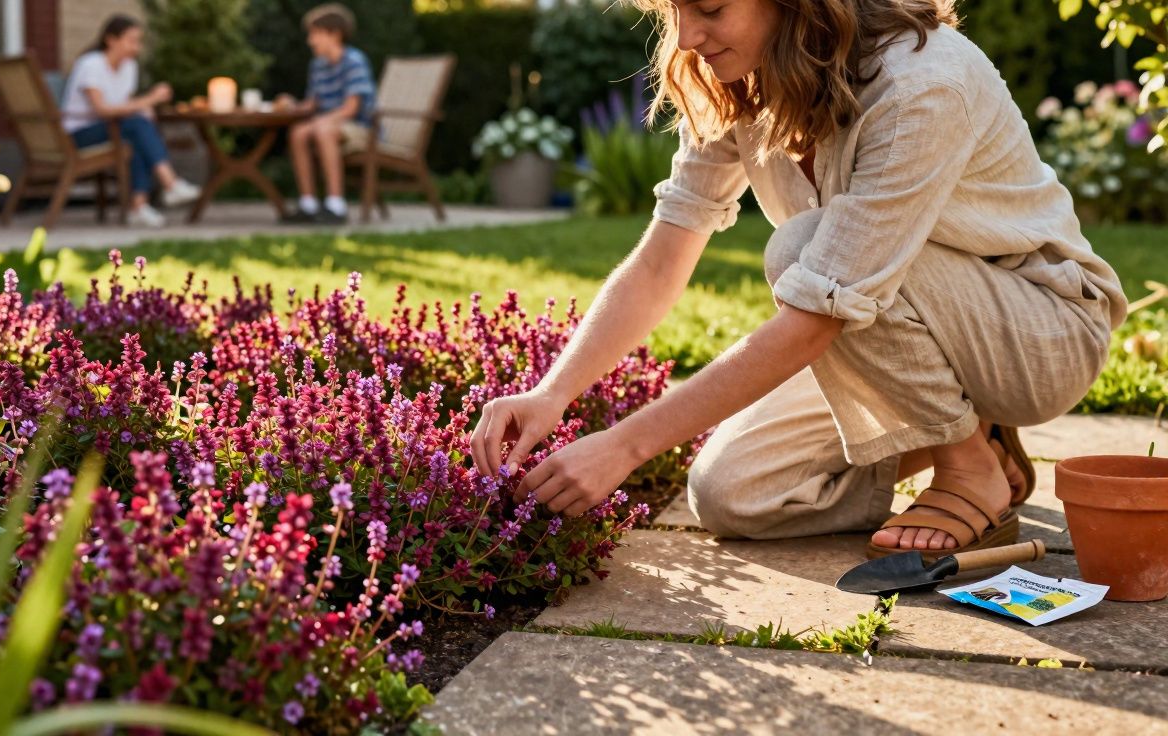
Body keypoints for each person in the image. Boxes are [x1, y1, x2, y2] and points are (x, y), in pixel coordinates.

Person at [470, 0, 1127, 559]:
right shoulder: (742, 79)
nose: (689, 37)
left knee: (803, 253)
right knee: (732, 492)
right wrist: (553, 393)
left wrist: (625, 446)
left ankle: (970, 468)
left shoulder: (919, 83)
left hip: (1041, 333)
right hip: (888, 321)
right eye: (676, 11)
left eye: (711, 8)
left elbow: (819, 318)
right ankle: (968, 426)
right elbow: (660, 261)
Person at [61, 14, 199, 228]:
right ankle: (170, 184)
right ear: (111, 40)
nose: (137, 47)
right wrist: (148, 100)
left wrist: (142, 107)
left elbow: (123, 104)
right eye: (132, 40)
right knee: (136, 126)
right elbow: (102, 109)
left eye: (139, 41)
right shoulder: (91, 65)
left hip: (114, 130)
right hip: (79, 134)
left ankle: (139, 206)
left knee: (137, 133)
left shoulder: (129, 67)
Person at [277, 3, 377, 225]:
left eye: (315, 34)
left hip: (361, 129)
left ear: (334, 34)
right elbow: (312, 104)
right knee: (298, 132)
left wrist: (322, 121)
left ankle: (336, 205)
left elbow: (352, 108)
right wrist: (291, 105)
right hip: (329, 125)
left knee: (322, 130)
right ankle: (308, 203)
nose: (310, 40)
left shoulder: (354, 62)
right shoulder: (318, 66)